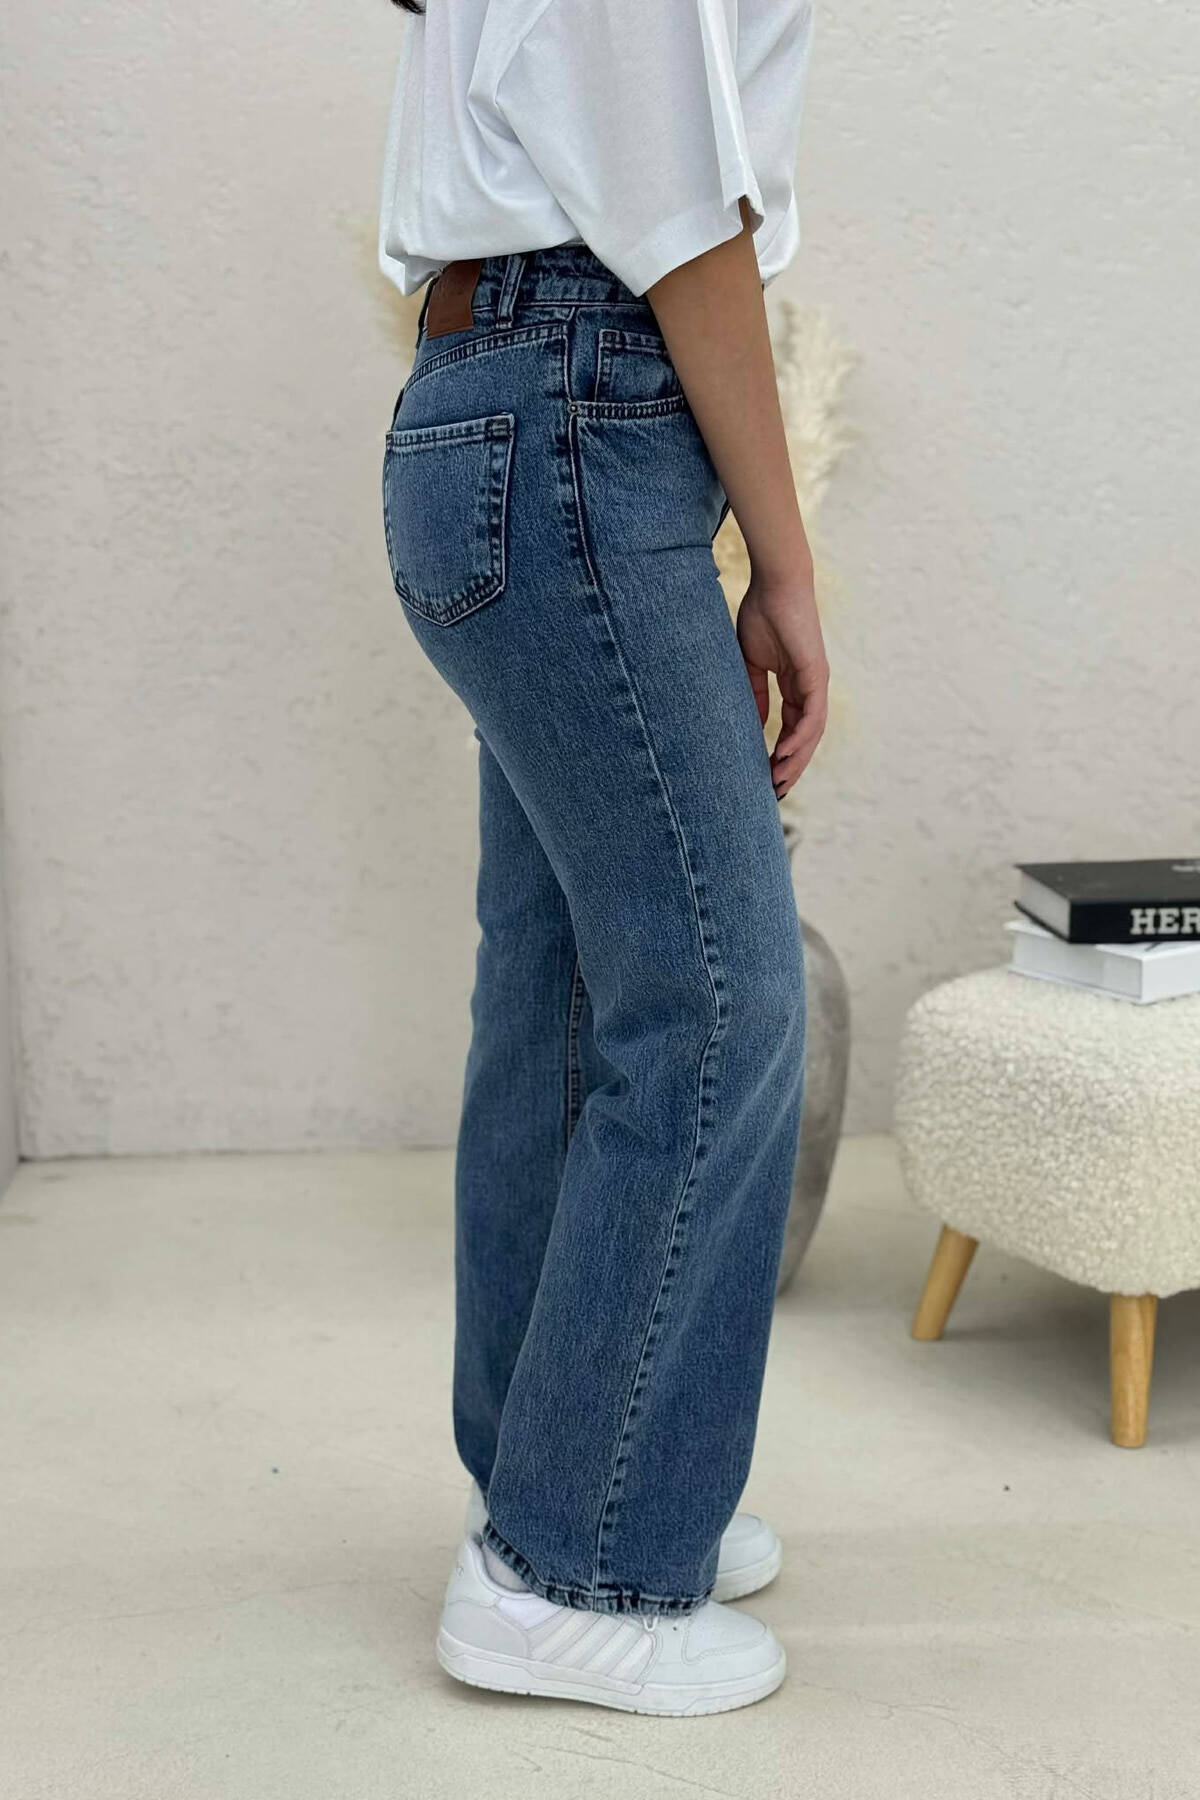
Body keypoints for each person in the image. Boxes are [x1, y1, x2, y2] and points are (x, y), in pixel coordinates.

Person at [377, 0, 827, 1717]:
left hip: (507, 404)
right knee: (717, 1000)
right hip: (579, 411)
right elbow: (681, 223)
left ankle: (563, 1473)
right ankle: (571, 1567)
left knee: (567, 989)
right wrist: (786, 562)